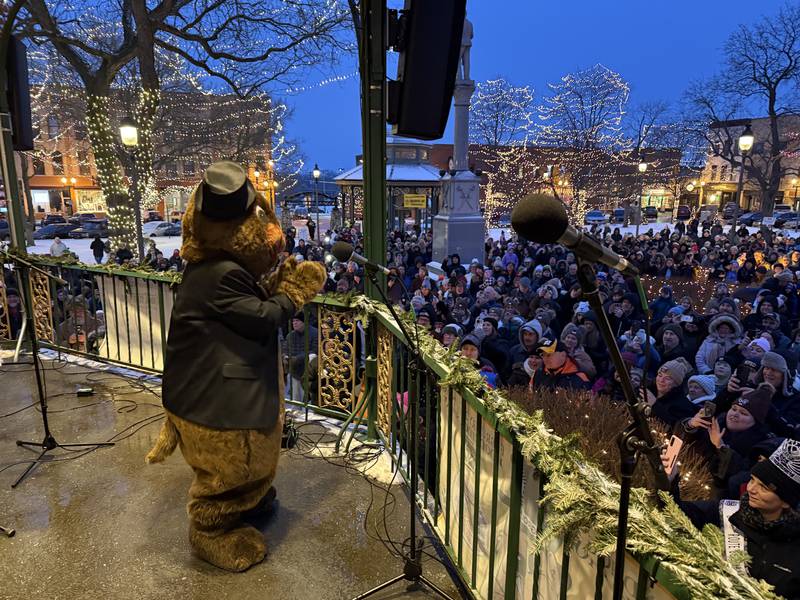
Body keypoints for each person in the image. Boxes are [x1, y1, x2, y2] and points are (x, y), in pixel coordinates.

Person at [145, 160, 326, 572]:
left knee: (250, 463)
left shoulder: (220, 268)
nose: (268, 234)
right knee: (226, 470)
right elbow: (263, 317)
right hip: (216, 400)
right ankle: (212, 528)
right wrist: (294, 291)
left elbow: (248, 306)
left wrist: (274, 284)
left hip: (225, 388)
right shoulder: (218, 274)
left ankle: (252, 498)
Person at [284, 312, 318, 404]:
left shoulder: (314, 333)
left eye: (297, 321)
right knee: (296, 400)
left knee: (312, 357)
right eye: (293, 321)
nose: (294, 323)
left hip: (308, 369)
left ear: (304, 322)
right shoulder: (290, 335)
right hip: (295, 370)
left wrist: (298, 358)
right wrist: (288, 358)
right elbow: (286, 351)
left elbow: (315, 350)